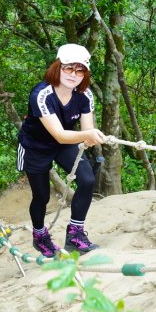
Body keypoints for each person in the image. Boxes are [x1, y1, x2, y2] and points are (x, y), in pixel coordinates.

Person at [16, 44, 106, 258]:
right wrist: (88, 135)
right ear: (57, 67)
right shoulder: (41, 95)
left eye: (79, 70)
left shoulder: (85, 95)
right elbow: (59, 134)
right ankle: (40, 236)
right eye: (68, 68)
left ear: (84, 73)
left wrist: (92, 138)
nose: (73, 75)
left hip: (65, 143)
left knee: (87, 179)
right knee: (42, 196)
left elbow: (86, 131)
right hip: (35, 146)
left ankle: (75, 234)